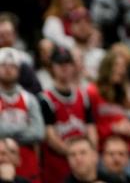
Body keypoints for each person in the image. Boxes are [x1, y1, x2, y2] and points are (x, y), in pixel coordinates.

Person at [40, 47, 97, 183]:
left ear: (73, 66)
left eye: (67, 63)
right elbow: (50, 136)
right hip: (57, 163)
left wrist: (90, 152)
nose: (64, 68)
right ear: (52, 67)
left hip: (83, 160)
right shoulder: (45, 99)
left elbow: (91, 127)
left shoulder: (83, 95)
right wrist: (75, 154)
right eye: (59, 64)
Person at [0, 48, 43, 182]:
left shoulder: (29, 98)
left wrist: (6, 133)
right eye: (3, 65)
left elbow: (39, 133)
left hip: (28, 165)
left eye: (12, 66)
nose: (8, 69)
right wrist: (23, 128)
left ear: (19, 70)